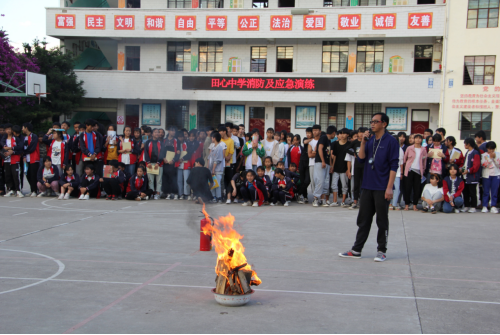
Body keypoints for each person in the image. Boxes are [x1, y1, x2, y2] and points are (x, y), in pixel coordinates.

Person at [339, 113, 399, 263]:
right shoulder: (370, 140)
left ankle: (381, 251)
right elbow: (361, 158)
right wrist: (363, 142)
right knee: (363, 219)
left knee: (382, 220)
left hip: (382, 187)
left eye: (375, 122)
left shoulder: (391, 141)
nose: (372, 124)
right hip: (367, 185)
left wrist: (389, 187)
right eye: (371, 121)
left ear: (384, 124)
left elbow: (394, 165)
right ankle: (356, 249)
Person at [313, 126, 336, 207]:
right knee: (320, 180)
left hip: (326, 164)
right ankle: (316, 198)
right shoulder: (323, 137)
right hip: (320, 162)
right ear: (333, 133)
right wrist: (323, 161)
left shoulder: (329, 141)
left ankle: (322, 200)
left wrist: (330, 165)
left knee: (326, 182)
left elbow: (329, 154)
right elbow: (319, 149)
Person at [403, 134, 427, 211]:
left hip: (418, 171)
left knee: (417, 189)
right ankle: (406, 204)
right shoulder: (409, 148)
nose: (418, 140)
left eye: (420, 138)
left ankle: (415, 205)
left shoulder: (423, 149)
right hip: (409, 170)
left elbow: (424, 160)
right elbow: (405, 158)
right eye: (416, 138)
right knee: (407, 188)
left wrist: (423, 169)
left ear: (421, 140)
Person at [2, 124, 24, 198]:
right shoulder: (4, 138)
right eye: (6, 129)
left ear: (12, 130)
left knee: (15, 175)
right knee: (7, 175)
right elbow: (1, 144)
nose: (8, 131)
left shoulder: (16, 138)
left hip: (15, 160)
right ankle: (11, 190)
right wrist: (6, 148)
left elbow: (20, 147)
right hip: (6, 160)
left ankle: (18, 190)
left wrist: (12, 150)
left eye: (9, 129)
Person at [330, 128, 350, 207]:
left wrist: (348, 169)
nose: (342, 135)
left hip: (344, 168)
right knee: (334, 185)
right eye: (340, 134)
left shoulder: (349, 144)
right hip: (336, 168)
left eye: (344, 133)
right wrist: (332, 166)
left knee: (344, 185)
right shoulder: (335, 144)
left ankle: (343, 201)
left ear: (348, 134)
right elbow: (333, 156)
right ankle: (335, 201)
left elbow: (349, 159)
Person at [461, 138, 481, 213]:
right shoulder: (467, 152)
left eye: (465, 143)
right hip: (465, 176)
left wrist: (468, 170)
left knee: (472, 192)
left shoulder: (475, 153)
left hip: (472, 177)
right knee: (465, 192)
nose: (464, 145)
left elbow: (476, 165)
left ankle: (473, 206)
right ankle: (466, 206)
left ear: (468, 144)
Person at [144, 129, 164, 200]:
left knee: (159, 180)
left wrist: (158, 163)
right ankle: (151, 193)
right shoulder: (148, 142)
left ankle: (158, 193)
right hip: (150, 164)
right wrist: (148, 162)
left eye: (158, 132)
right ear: (152, 134)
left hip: (159, 164)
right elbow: (145, 153)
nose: (157, 133)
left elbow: (162, 153)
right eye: (155, 132)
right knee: (150, 180)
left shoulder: (161, 143)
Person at [481, 141, 500, 213]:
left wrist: (494, 158)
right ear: (487, 148)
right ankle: (485, 206)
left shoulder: (498, 154)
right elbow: (484, 165)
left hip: (496, 175)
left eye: (493, 149)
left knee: (494, 191)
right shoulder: (483, 155)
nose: (491, 151)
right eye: (490, 149)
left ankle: (493, 206)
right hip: (486, 175)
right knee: (486, 191)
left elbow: (499, 165)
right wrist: (489, 158)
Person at [175, 130, 194, 200]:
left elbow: (189, 153)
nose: (180, 138)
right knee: (179, 180)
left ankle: (187, 193)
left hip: (186, 163)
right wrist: (177, 153)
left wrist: (182, 158)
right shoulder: (176, 145)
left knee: (186, 180)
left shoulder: (188, 144)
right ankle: (181, 193)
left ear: (184, 137)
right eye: (179, 137)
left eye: (181, 137)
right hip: (178, 164)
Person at [22, 123, 40, 197]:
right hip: (26, 159)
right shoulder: (24, 137)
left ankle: (35, 190)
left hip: (34, 158)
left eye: (22, 127)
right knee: (28, 175)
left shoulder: (34, 136)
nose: (22, 129)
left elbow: (32, 147)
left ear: (26, 128)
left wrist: (24, 152)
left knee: (33, 175)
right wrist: (23, 155)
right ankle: (32, 190)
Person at [162, 126, 179, 199]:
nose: (173, 132)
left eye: (174, 131)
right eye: (172, 130)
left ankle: (175, 193)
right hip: (165, 162)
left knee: (173, 178)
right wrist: (163, 158)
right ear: (168, 131)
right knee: (166, 178)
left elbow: (178, 152)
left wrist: (174, 160)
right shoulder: (164, 140)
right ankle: (167, 193)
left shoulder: (176, 141)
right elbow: (161, 151)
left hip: (173, 163)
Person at [297, 128, 313, 204]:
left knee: (307, 181)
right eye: (307, 133)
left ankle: (299, 193)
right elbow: (305, 141)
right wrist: (313, 139)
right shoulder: (306, 139)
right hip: (302, 161)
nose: (308, 134)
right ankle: (305, 197)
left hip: (309, 162)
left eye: (309, 133)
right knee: (303, 180)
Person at [209, 132, 225, 203]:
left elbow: (217, 160)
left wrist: (213, 169)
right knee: (212, 183)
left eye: (212, 137)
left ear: (214, 138)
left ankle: (219, 197)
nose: (211, 139)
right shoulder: (213, 147)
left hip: (217, 169)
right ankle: (213, 196)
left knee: (217, 184)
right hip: (212, 169)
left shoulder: (219, 147)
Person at [389, 135, 405, 211]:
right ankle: (389, 203)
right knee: (388, 188)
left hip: (397, 173)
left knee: (397, 189)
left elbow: (401, 163)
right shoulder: (387, 149)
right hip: (388, 172)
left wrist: (401, 173)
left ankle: (394, 203)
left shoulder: (400, 150)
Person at [219, 124, 234, 198]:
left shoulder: (230, 140)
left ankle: (228, 194)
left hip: (228, 162)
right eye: (219, 131)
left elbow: (231, 151)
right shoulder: (219, 140)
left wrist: (227, 157)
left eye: (221, 131)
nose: (220, 133)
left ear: (224, 131)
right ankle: (222, 194)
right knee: (221, 180)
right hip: (220, 163)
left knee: (228, 179)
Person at [308, 125, 321, 200]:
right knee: (313, 181)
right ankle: (315, 197)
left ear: (320, 131)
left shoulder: (322, 141)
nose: (315, 132)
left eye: (316, 130)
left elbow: (325, 152)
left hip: (320, 163)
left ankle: (320, 197)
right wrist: (318, 152)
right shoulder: (311, 142)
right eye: (313, 130)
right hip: (312, 164)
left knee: (319, 180)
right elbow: (310, 155)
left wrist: (314, 152)